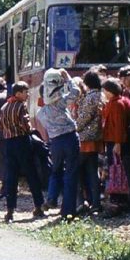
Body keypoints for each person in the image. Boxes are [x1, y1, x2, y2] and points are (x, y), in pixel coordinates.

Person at [36, 68, 80, 218]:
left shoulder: (40, 114)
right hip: (69, 138)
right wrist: (67, 78)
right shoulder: (60, 103)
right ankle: (68, 210)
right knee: (71, 173)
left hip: (55, 143)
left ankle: (51, 198)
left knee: (55, 172)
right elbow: (76, 92)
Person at [0, 81, 44, 222]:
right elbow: (26, 125)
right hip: (22, 142)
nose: (28, 94)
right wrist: (30, 131)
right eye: (25, 92)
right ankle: (38, 206)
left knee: (11, 177)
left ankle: (10, 211)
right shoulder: (20, 106)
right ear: (18, 94)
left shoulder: (5, 107)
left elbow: (0, 126)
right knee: (31, 174)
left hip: (9, 143)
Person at [101, 78, 130, 206]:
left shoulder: (116, 104)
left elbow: (119, 125)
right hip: (115, 140)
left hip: (115, 141)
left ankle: (119, 196)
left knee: (116, 168)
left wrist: (118, 142)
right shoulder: (120, 101)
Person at [76, 70, 104, 214]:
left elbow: (84, 117)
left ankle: (81, 202)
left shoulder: (90, 97)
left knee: (76, 170)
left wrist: (75, 128)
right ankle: (96, 203)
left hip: (85, 138)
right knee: (93, 172)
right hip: (96, 138)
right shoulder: (102, 95)